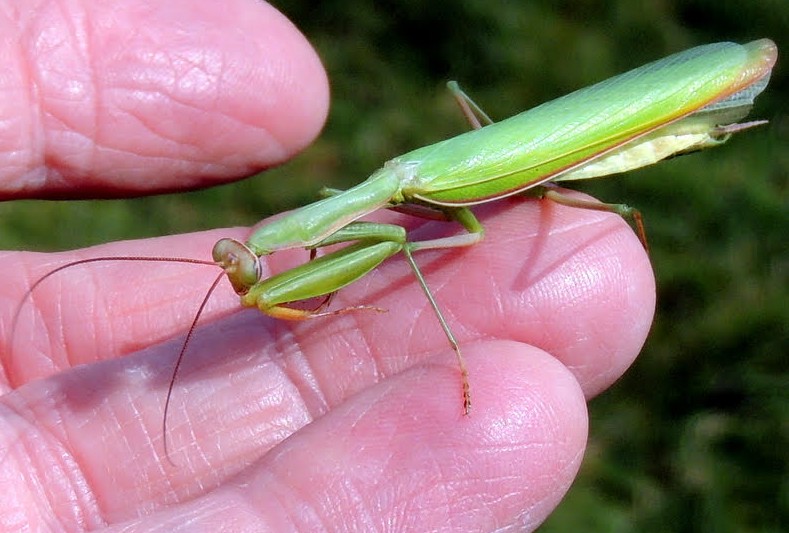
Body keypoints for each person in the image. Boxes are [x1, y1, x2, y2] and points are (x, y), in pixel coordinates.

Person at [0, 2, 655, 530]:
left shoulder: (377, 205)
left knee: (430, 243)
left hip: (582, 144)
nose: (241, 275)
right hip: (476, 170)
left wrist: (456, 359)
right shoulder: (367, 202)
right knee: (397, 239)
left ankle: (459, 345)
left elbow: (401, 243)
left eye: (243, 261)